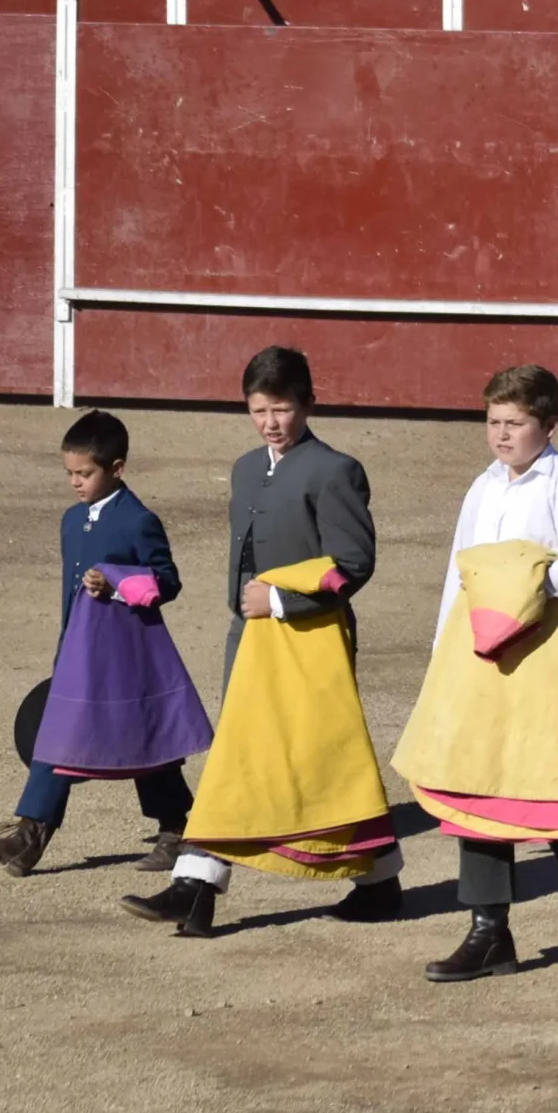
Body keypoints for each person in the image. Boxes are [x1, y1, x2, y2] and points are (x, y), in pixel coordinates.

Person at [118, 347, 396, 937]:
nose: (271, 421)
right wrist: (249, 614)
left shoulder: (334, 469)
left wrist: (278, 602)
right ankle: (373, 879)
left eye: (283, 409)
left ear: (308, 405)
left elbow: (353, 564)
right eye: (259, 410)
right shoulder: (246, 467)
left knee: (318, 756)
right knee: (245, 755)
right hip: (248, 636)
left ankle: (371, 880)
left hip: (308, 636)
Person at [391, 365, 558, 982]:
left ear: (548, 426)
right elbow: (460, 570)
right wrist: (443, 649)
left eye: (515, 424)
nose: (502, 436)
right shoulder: (483, 487)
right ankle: (488, 930)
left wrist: (517, 586)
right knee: (477, 782)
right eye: (494, 423)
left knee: (549, 785)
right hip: (478, 650)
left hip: (545, 646)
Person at [0, 411, 210, 878]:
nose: (75, 483)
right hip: (82, 650)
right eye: (70, 474)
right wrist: (65, 647)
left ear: (116, 469)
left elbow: (167, 581)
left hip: (128, 652)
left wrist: (118, 584)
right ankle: (29, 836)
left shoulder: (138, 520)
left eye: (85, 474)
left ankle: (176, 829)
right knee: (58, 735)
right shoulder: (71, 521)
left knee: (146, 738)